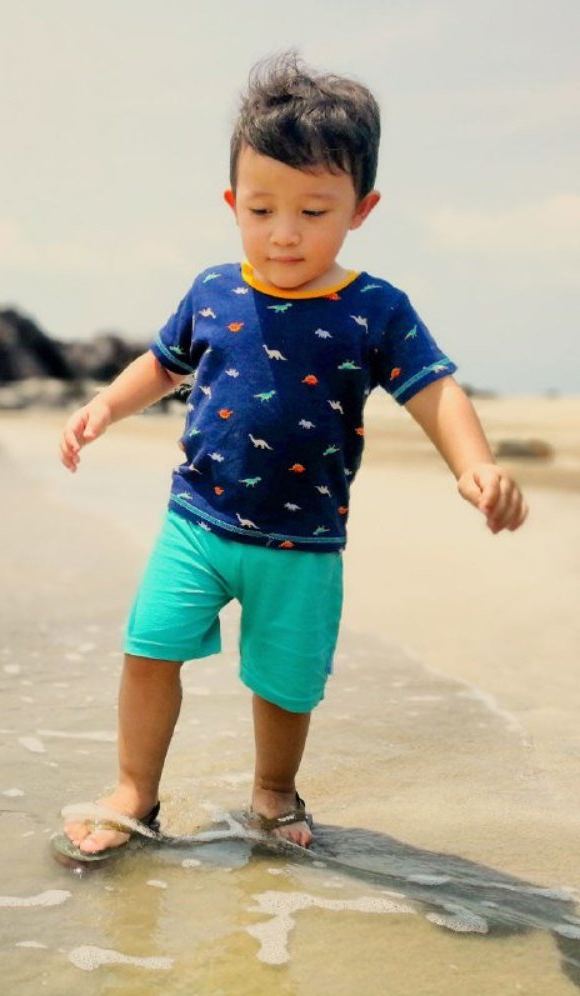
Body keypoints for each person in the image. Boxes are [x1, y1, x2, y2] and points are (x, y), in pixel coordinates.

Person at [55, 51, 528, 858]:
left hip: (303, 543)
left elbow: (434, 389)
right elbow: (164, 363)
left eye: (314, 212)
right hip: (196, 522)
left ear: (361, 209)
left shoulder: (375, 308)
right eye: (263, 209)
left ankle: (273, 792)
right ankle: (135, 790)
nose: (283, 234)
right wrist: (105, 404)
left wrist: (474, 464)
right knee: (149, 650)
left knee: (284, 683)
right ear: (233, 201)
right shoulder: (214, 290)